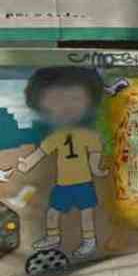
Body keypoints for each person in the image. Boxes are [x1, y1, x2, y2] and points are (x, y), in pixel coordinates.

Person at [16, 67, 107, 257]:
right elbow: (41, 152)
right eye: (56, 100)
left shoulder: (88, 136)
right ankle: (53, 238)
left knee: (86, 214)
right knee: (53, 213)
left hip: (83, 182)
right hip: (63, 184)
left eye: (75, 99)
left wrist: (96, 170)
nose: (66, 107)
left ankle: (89, 241)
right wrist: (27, 164)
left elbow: (94, 155)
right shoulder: (57, 137)